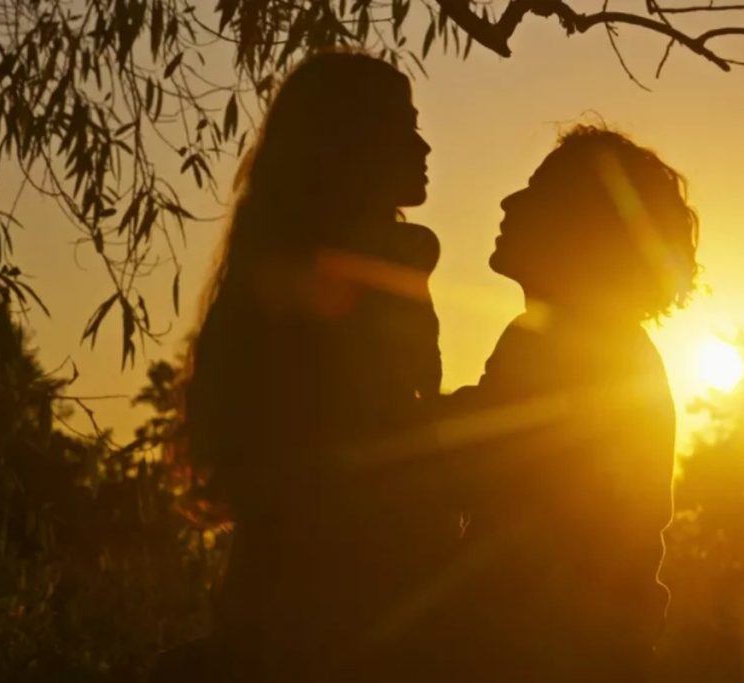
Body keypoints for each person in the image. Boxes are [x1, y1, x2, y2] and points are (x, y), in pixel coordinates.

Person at [175, 50, 437, 681]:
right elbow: (391, 431)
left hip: (278, 595)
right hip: (345, 607)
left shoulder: (266, 274)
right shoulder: (381, 266)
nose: (424, 147)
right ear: (353, 145)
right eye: (403, 127)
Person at [422, 125, 699, 682]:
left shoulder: (576, 346)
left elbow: (467, 457)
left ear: (580, 227)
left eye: (535, 191)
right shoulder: (580, 339)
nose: (508, 201)